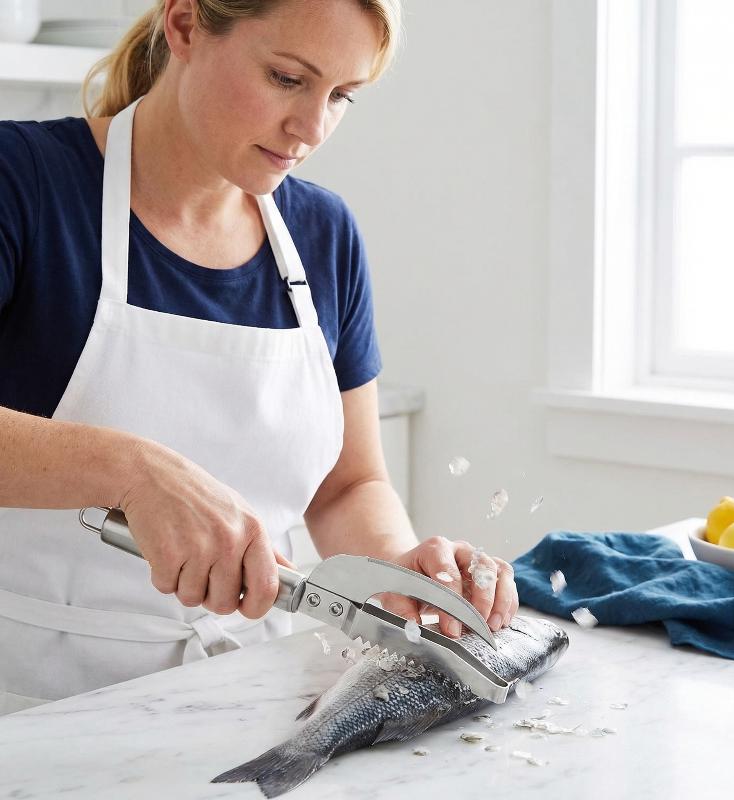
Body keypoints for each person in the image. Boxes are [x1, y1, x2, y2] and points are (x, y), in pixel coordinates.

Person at [0, 0, 518, 715]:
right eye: (286, 78)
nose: (312, 128)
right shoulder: (22, 183)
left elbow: (347, 486)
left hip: (250, 703)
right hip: (30, 712)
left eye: (341, 96)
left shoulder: (323, 234)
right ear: (185, 26)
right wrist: (132, 472)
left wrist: (398, 573)